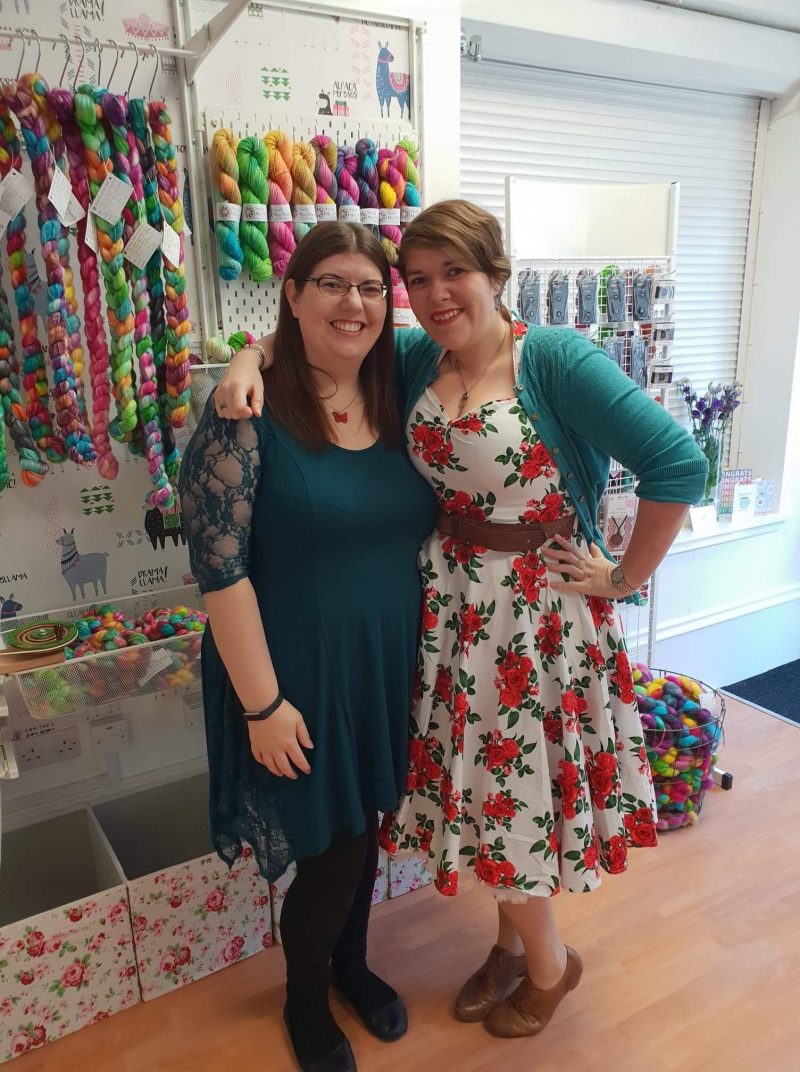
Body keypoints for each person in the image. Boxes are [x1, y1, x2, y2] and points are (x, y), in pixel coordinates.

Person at [212, 199, 707, 1041]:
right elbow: (326, 328)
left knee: (514, 795)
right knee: (486, 793)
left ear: (496, 274)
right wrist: (244, 357)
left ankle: (550, 967)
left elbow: (679, 464)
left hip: (538, 618)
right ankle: (513, 950)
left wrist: (622, 577)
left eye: (456, 273)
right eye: (418, 279)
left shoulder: (552, 358)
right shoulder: (413, 356)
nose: (436, 294)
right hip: (453, 611)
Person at [178, 221, 437, 1072]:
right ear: (292, 295)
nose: (353, 303)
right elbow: (220, 574)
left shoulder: (399, 386)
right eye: (330, 283)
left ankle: (351, 966)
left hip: (381, 665)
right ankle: (304, 999)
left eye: (370, 287)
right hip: (292, 673)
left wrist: (251, 347)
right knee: (335, 848)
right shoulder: (242, 420)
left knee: (363, 824)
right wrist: (263, 703)